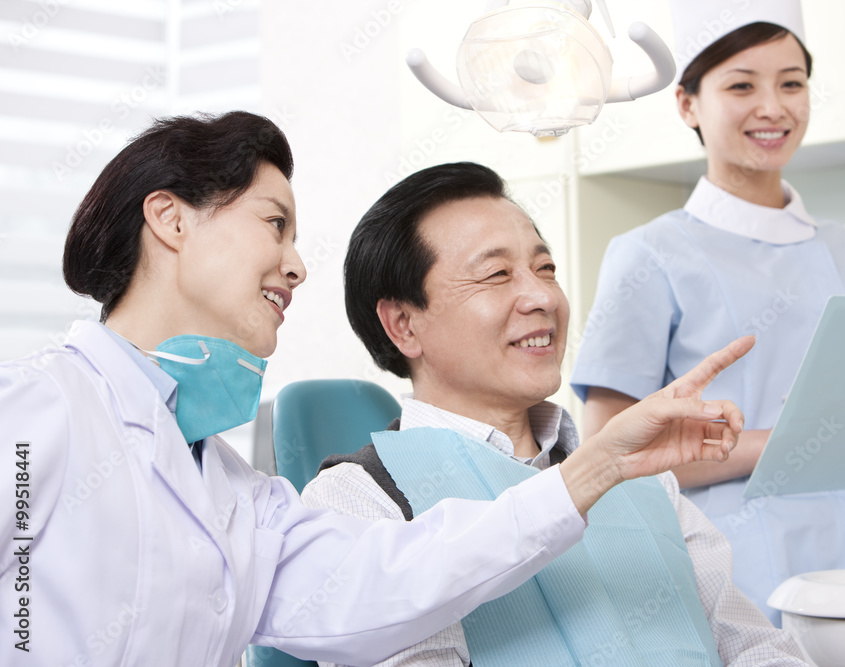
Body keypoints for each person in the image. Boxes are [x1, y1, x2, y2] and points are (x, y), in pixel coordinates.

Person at [0, 111, 758, 667]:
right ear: (168, 218)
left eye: (544, 266)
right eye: (275, 224)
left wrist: (596, 465)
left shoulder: (239, 495)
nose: (297, 266)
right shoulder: (37, 411)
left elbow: (402, 578)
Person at [569, 1, 845, 626]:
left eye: (792, 83)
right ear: (687, 103)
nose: (774, 107)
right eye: (742, 84)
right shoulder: (650, 255)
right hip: (736, 577)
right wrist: (795, 443)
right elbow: (609, 454)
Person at [302, 160, 808, 666]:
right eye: (497, 274)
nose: (543, 296)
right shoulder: (358, 500)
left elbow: (755, 646)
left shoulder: (650, 483)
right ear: (404, 325)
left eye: (546, 269)